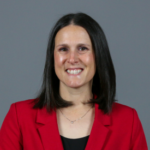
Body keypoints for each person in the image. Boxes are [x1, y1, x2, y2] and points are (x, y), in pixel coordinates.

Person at [0, 13, 148, 150]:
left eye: (82, 48)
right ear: (53, 58)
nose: (72, 59)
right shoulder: (19, 117)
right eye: (63, 49)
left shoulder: (128, 121)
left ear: (98, 56)